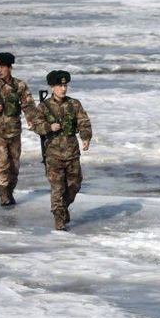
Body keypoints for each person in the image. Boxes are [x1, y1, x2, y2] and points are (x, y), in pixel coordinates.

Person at [31, 70, 92, 230]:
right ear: (52, 87)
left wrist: (85, 137)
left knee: (74, 185)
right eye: (59, 86)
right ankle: (59, 219)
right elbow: (35, 126)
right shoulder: (44, 106)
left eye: (65, 85)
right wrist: (48, 127)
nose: (63, 89)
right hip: (53, 154)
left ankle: (63, 208)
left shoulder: (74, 104)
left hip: (72, 152)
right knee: (57, 188)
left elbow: (84, 122)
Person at [0, 52, 37, 206]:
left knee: (14, 166)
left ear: (10, 68)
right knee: (2, 162)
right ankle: (4, 195)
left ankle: (9, 191)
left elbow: (28, 104)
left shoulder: (19, 85)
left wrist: (31, 118)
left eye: (2, 67)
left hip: (14, 131)